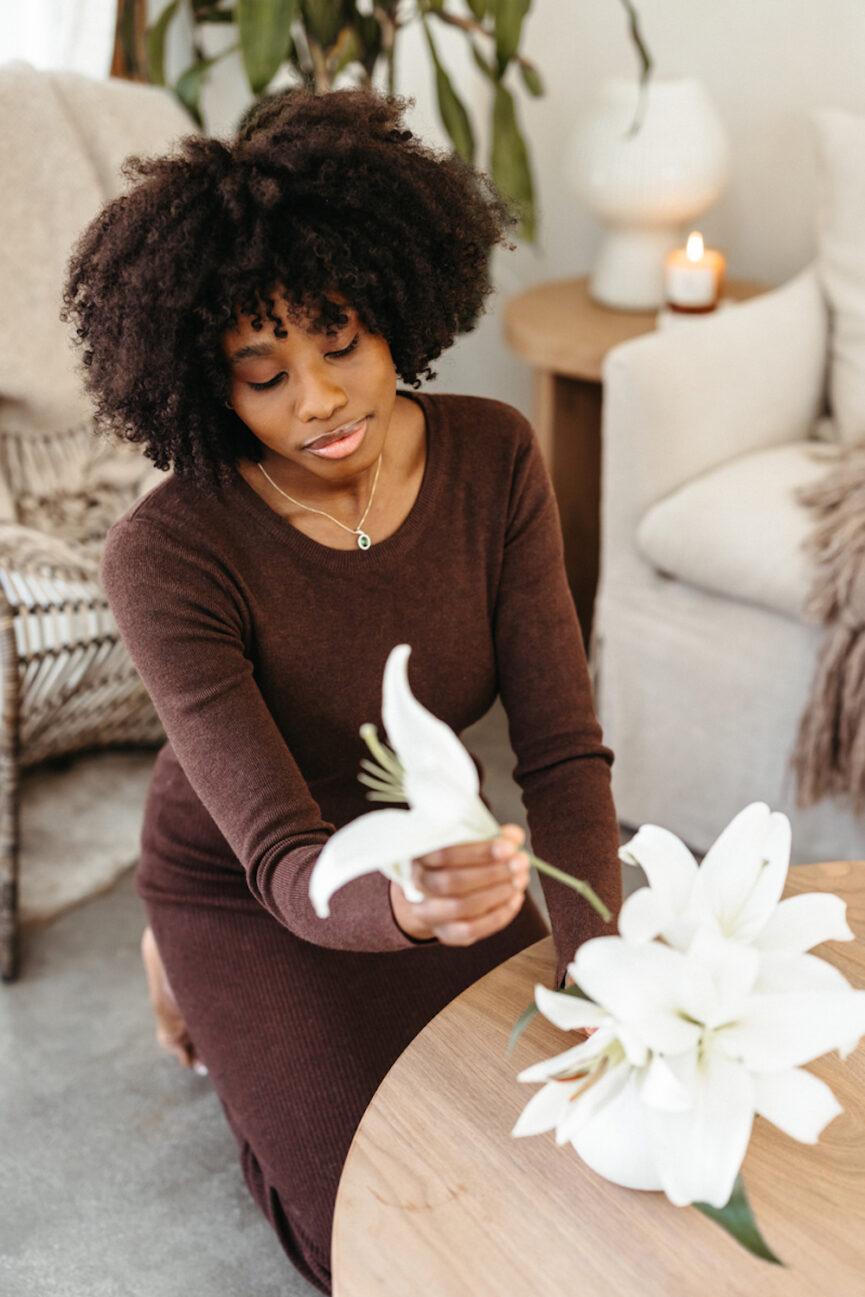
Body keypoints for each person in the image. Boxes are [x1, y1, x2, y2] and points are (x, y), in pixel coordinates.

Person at [63, 89, 622, 1295]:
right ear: (209, 390)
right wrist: (409, 911)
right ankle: (183, 959)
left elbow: (564, 755)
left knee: (575, 1139)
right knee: (380, 1224)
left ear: (390, 309)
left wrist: (602, 973)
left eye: (337, 340)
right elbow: (279, 858)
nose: (315, 399)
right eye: (261, 376)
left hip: (430, 827)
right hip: (251, 871)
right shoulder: (165, 554)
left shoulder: (493, 457)